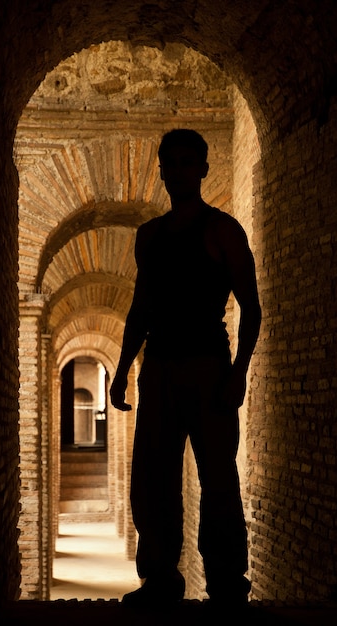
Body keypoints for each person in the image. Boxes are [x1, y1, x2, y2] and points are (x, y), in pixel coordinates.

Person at [110, 128, 261, 609]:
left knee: (217, 475)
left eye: (186, 161)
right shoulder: (149, 237)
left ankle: (225, 580)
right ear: (162, 171)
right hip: (159, 368)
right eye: (169, 162)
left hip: (208, 367)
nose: (177, 170)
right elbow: (140, 309)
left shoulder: (222, 231)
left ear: (202, 169)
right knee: (154, 475)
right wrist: (121, 368)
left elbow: (251, 307)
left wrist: (239, 371)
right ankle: (159, 578)